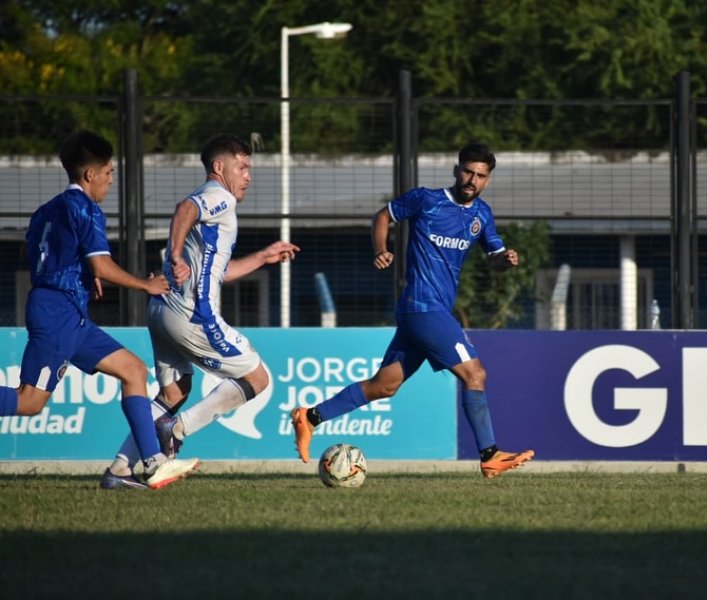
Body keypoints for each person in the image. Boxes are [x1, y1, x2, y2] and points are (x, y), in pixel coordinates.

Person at [291, 143, 534, 478]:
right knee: (475, 375)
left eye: (480, 175)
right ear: (456, 169)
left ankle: (310, 417)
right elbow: (382, 216)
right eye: (467, 171)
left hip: (427, 312)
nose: (472, 180)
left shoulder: (482, 215)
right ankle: (490, 455)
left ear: (487, 180)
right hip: (422, 307)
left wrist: (504, 261)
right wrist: (381, 248)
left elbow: (495, 258)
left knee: (384, 386)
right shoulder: (427, 200)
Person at [0, 130, 200, 490]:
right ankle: (149, 461)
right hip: (58, 314)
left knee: (133, 370)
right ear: (89, 175)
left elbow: (42, 257)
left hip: (66, 309)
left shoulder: (47, 209)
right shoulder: (86, 209)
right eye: (108, 173)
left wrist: (81, 275)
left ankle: (146, 463)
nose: (111, 180)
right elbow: (104, 266)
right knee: (29, 402)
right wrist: (146, 284)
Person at [102, 133, 298, 480]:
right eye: (243, 166)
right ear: (219, 167)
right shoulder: (218, 196)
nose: (248, 175)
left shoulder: (217, 206)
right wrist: (175, 254)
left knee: (174, 391)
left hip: (162, 309)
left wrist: (263, 257)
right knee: (257, 378)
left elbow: (219, 272)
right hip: (192, 314)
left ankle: (119, 467)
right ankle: (176, 430)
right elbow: (185, 209)